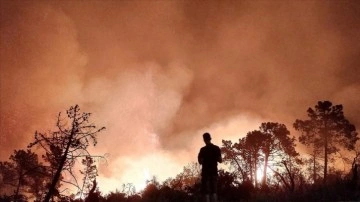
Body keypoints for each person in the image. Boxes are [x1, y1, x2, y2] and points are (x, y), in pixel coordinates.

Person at [198, 132, 222, 202]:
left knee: (206, 192)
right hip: (214, 172)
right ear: (210, 138)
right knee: (214, 191)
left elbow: (200, 162)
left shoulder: (202, 150)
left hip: (205, 173)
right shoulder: (216, 148)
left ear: (204, 140)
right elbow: (220, 160)